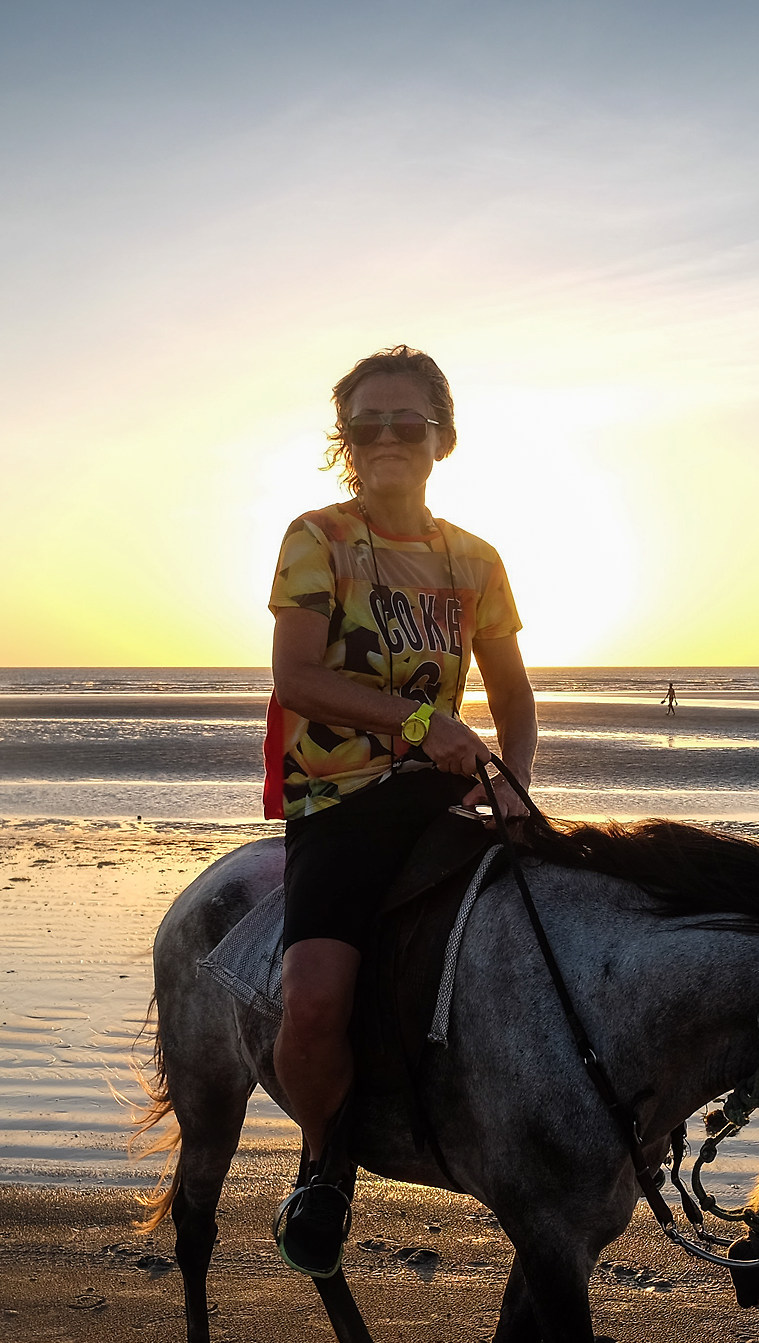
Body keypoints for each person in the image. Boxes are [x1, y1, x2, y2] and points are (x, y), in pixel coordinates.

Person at [263, 345, 536, 1277]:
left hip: (447, 797)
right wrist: (424, 722)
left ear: (441, 438)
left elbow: (514, 696)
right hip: (340, 800)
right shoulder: (318, 538)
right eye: (366, 422)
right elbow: (296, 678)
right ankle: (324, 1161)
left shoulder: (476, 559)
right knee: (312, 1002)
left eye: (406, 421)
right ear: (346, 440)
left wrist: (512, 782)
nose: (386, 437)